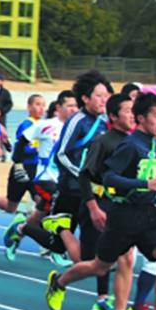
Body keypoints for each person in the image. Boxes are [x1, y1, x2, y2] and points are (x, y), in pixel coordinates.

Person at [45, 93, 156, 310]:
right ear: (141, 118)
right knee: (100, 265)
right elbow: (109, 178)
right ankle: (60, 282)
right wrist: (143, 185)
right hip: (124, 215)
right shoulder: (128, 145)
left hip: (150, 215)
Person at [76, 93, 138, 310]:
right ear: (113, 116)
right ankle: (100, 297)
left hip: (123, 206)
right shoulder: (103, 142)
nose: (133, 115)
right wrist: (93, 207)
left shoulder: (135, 142)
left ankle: (119, 309)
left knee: (124, 258)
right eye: (128, 111)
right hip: (100, 202)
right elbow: (85, 175)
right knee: (98, 260)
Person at [3, 90, 79, 261]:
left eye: (76, 106)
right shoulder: (46, 125)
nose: (74, 109)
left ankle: (20, 228)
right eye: (70, 105)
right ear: (59, 107)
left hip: (66, 180)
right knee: (55, 211)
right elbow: (22, 141)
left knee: (41, 213)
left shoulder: (77, 128)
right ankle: (56, 250)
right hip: (46, 178)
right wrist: (18, 163)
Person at [48, 70, 111, 264]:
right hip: (71, 189)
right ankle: (23, 228)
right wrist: (83, 176)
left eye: (106, 96)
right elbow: (61, 154)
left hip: (91, 193)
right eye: (99, 96)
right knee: (58, 245)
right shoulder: (77, 121)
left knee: (90, 250)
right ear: (85, 98)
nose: (104, 100)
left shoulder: (104, 122)